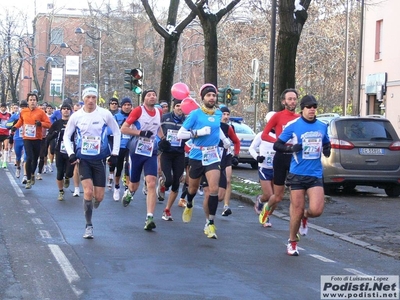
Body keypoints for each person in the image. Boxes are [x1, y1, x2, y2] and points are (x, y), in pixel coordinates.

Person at [273, 95, 331, 256]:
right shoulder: (294, 125)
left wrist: (327, 150)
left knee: (316, 210)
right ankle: (292, 242)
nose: (312, 109)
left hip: (315, 174)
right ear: (303, 108)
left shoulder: (322, 126)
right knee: (296, 210)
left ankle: (306, 216)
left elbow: (326, 143)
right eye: (309, 106)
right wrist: (291, 149)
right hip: (297, 174)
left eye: (314, 106)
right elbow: (277, 145)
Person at [63, 87, 121, 239]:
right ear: (83, 99)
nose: (90, 100)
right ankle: (88, 225)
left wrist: (115, 153)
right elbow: (66, 136)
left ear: (96, 99)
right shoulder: (76, 116)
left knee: (99, 196)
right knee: (88, 191)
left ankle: (94, 202)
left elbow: (117, 131)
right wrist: (71, 153)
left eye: (93, 97)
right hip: (83, 159)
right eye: (88, 97)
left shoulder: (104, 114)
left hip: (99, 159)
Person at [176, 84, 230, 239]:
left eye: (213, 95)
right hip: (196, 155)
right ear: (203, 98)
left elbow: (217, 128)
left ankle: (210, 223)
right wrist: (198, 132)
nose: (211, 98)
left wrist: (225, 140)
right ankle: (190, 203)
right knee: (192, 189)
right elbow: (181, 134)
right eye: (208, 95)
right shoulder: (195, 114)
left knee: (213, 190)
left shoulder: (218, 113)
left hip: (212, 155)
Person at [120, 89, 163, 231]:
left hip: (151, 150)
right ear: (144, 98)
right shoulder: (138, 111)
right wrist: (140, 132)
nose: (152, 97)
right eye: (149, 95)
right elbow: (124, 129)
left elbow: (158, 128)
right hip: (136, 149)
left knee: (151, 182)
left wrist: (163, 139)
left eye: (154, 95)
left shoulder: (159, 112)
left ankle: (149, 217)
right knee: (134, 185)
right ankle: (129, 192)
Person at [258, 89, 300, 226]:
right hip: (281, 157)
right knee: (278, 196)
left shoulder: (300, 118)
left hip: (295, 158)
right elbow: (264, 135)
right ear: (284, 102)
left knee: (296, 195)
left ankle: (295, 224)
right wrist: (278, 143)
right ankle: (266, 210)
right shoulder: (278, 116)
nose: (292, 101)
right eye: (289, 99)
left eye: (294, 99)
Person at [11, 93, 51, 189]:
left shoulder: (41, 112)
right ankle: (28, 179)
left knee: (35, 158)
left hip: (37, 139)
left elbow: (49, 124)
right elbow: (21, 121)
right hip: (26, 138)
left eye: (34, 100)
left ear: (36, 101)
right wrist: (15, 127)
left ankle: (32, 173)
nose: (32, 101)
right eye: (31, 100)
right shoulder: (23, 112)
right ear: (28, 101)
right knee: (29, 157)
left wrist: (40, 123)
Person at [158, 99, 187, 221]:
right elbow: (156, 129)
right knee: (168, 180)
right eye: (177, 106)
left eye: (182, 106)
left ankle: (167, 210)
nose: (180, 108)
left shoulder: (187, 120)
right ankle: (163, 184)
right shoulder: (165, 118)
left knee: (176, 183)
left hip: (180, 154)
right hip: (167, 153)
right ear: (173, 107)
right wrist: (162, 140)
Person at [249, 111, 276, 227]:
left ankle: (266, 216)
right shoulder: (261, 135)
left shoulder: (281, 135)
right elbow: (252, 148)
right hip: (264, 168)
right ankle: (260, 200)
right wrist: (257, 157)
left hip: (277, 168)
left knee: (275, 198)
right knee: (269, 195)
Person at [46, 102, 74, 201]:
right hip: (59, 151)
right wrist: (52, 136)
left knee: (69, 172)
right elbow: (49, 135)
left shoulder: (74, 123)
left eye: (68, 108)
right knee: (59, 172)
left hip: (71, 152)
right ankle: (61, 191)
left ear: (70, 111)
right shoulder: (57, 123)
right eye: (64, 108)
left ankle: (67, 177)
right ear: (61, 111)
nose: (66, 110)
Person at [218, 106, 240, 217]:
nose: (226, 117)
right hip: (214, 156)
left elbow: (236, 141)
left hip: (226, 156)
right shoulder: (214, 126)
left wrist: (236, 154)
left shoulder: (229, 127)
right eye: (224, 114)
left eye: (228, 114)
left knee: (227, 179)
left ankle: (226, 206)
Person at [112, 96, 133, 201]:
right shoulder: (116, 117)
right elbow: (111, 130)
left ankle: (126, 188)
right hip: (120, 145)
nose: (127, 107)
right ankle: (116, 187)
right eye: (125, 105)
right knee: (119, 167)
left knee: (128, 167)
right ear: (121, 106)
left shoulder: (135, 116)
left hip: (131, 145)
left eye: (129, 105)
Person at [6, 100, 28, 178]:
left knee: (26, 157)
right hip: (17, 138)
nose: (23, 108)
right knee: (18, 156)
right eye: (22, 107)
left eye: (25, 107)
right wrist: (14, 123)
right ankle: (18, 168)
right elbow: (7, 125)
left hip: (27, 139)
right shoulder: (15, 115)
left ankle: (25, 175)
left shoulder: (29, 115)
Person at [0, 102, 11, 168]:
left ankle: (4, 162)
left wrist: (10, 127)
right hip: (0, 133)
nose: (3, 108)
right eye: (2, 107)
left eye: (4, 107)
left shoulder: (9, 115)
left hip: (6, 133)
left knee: (6, 147)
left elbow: (11, 122)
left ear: (6, 108)